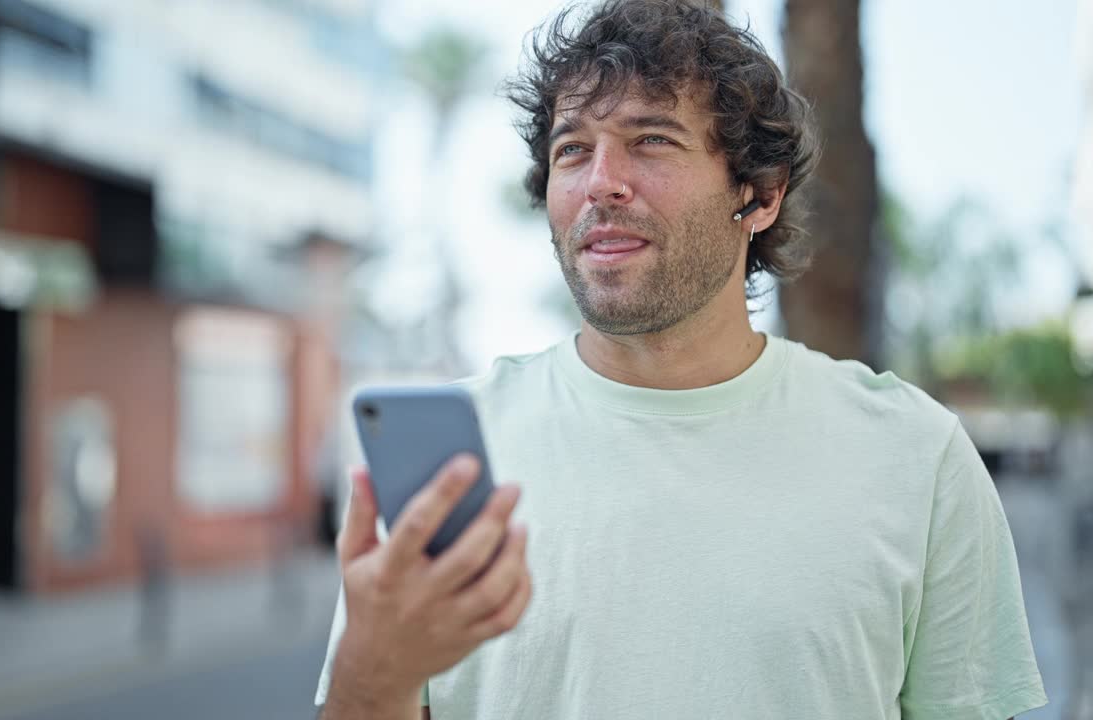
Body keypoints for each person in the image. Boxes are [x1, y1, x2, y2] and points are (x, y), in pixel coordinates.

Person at [314, 1, 1048, 718]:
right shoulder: (454, 464)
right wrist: (369, 676)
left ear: (759, 195)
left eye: (651, 140)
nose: (601, 180)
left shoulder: (916, 456)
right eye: (572, 148)